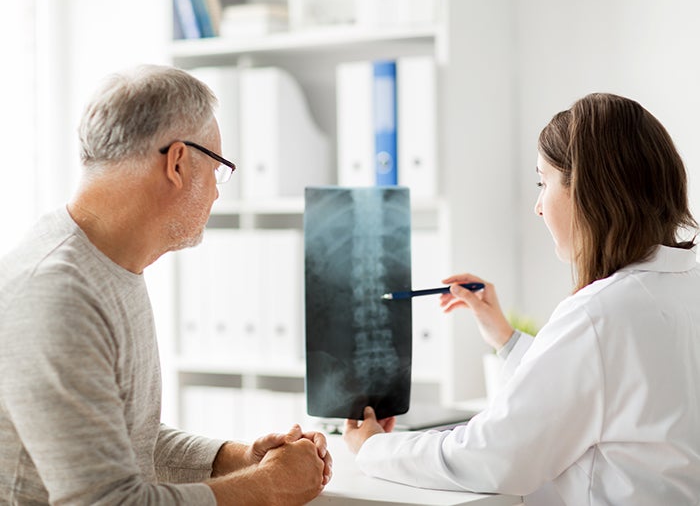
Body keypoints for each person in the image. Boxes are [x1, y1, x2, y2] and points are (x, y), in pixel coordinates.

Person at [344, 93, 700, 505]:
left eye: (543, 182)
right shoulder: (683, 284)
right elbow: (601, 392)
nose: (538, 206)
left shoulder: (600, 313)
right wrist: (505, 338)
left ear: (588, 191)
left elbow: (492, 458)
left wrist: (373, 448)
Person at [0, 64, 331, 505]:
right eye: (217, 168)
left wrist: (240, 458)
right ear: (177, 162)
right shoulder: (56, 294)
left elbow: (120, 436)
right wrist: (270, 486)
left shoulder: (107, 264)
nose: (216, 192)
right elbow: (109, 502)